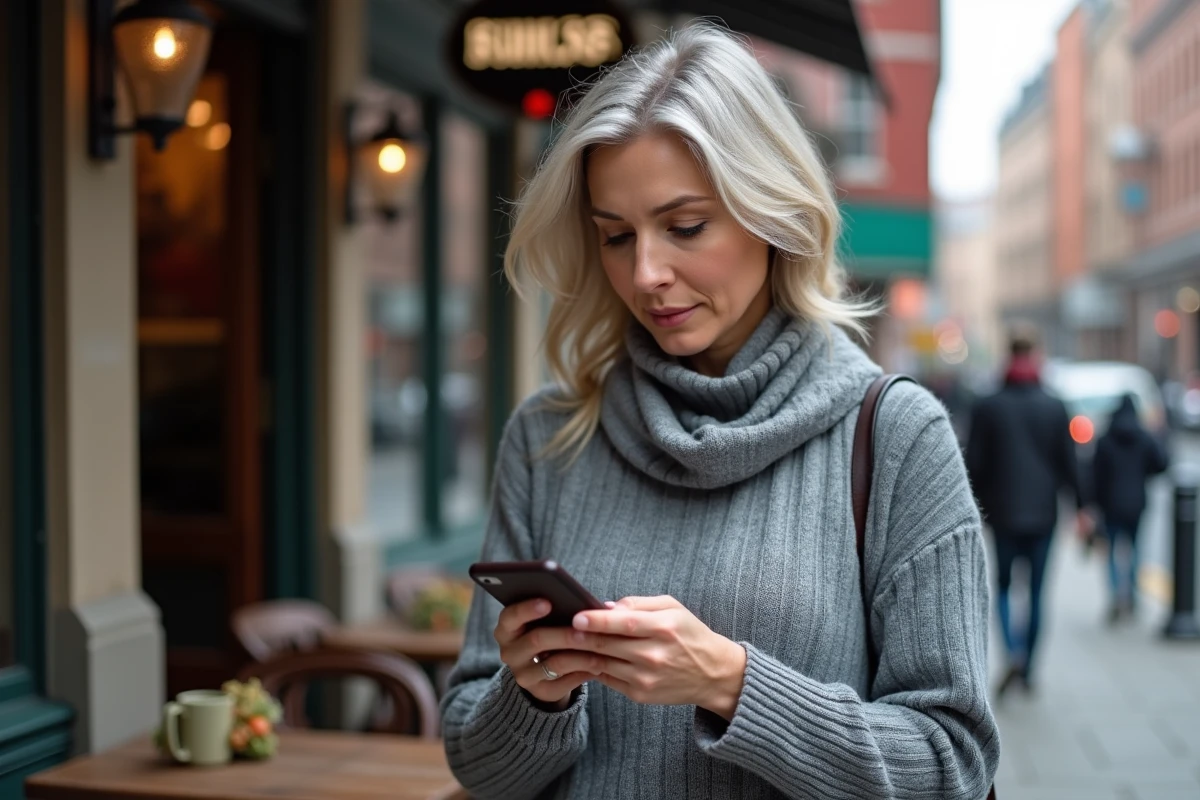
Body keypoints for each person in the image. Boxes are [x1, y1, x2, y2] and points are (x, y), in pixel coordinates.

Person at [441, 24, 998, 800]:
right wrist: (538, 694)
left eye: (685, 227)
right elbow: (475, 760)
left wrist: (733, 684)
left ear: (771, 211)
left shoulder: (896, 435)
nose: (645, 273)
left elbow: (953, 766)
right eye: (614, 235)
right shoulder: (548, 435)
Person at [966, 326, 1089, 697]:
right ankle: (1030, 667)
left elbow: (974, 464)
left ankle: (1013, 655)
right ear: (1034, 355)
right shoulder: (1053, 404)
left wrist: (978, 508)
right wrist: (1083, 508)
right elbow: (1070, 463)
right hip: (1042, 513)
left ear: (1008, 355)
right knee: (1036, 593)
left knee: (1003, 586)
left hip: (1002, 514)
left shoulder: (988, 404)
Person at [1092, 394, 1169, 623]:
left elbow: (1095, 475)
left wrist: (1092, 503)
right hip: (1136, 503)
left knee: (1112, 553)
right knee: (1136, 550)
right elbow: (1161, 463)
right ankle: (1132, 595)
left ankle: (1116, 594)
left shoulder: (1106, 439)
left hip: (1110, 505)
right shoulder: (1144, 437)